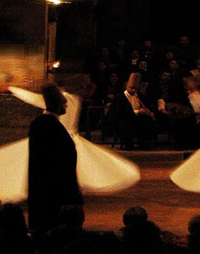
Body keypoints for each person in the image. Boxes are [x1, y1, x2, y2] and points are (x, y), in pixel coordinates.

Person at [0, 83, 141, 205]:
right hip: (71, 137)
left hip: (61, 140)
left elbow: (33, 98)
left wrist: (13, 89)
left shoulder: (51, 114)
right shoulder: (73, 100)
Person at [28, 83, 84, 238]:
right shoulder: (51, 126)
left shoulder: (41, 124)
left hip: (44, 189)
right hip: (54, 191)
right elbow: (60, 163)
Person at [103, 72, 157, 150]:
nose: (133, 90)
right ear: (127, 87)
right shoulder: (119, 97)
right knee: (125, 125)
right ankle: (128, 144)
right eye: (131, 88)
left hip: (136, 119)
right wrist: (138, 112)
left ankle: (144, 143)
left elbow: (147, 106)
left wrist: (149, 112)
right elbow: (120, 112)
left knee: (146, 122)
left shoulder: (140, 96)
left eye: (135, 89)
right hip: (123, 119)